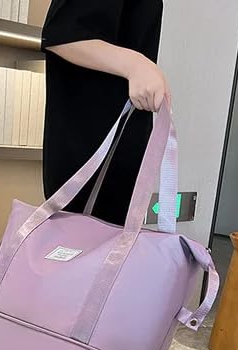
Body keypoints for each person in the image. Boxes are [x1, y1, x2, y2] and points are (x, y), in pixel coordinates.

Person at [41, 0, 170, 226]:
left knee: (104, 236)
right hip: (91, 150)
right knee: (80, 235)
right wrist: (136, 65)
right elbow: (64, 33)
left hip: (118, 145)